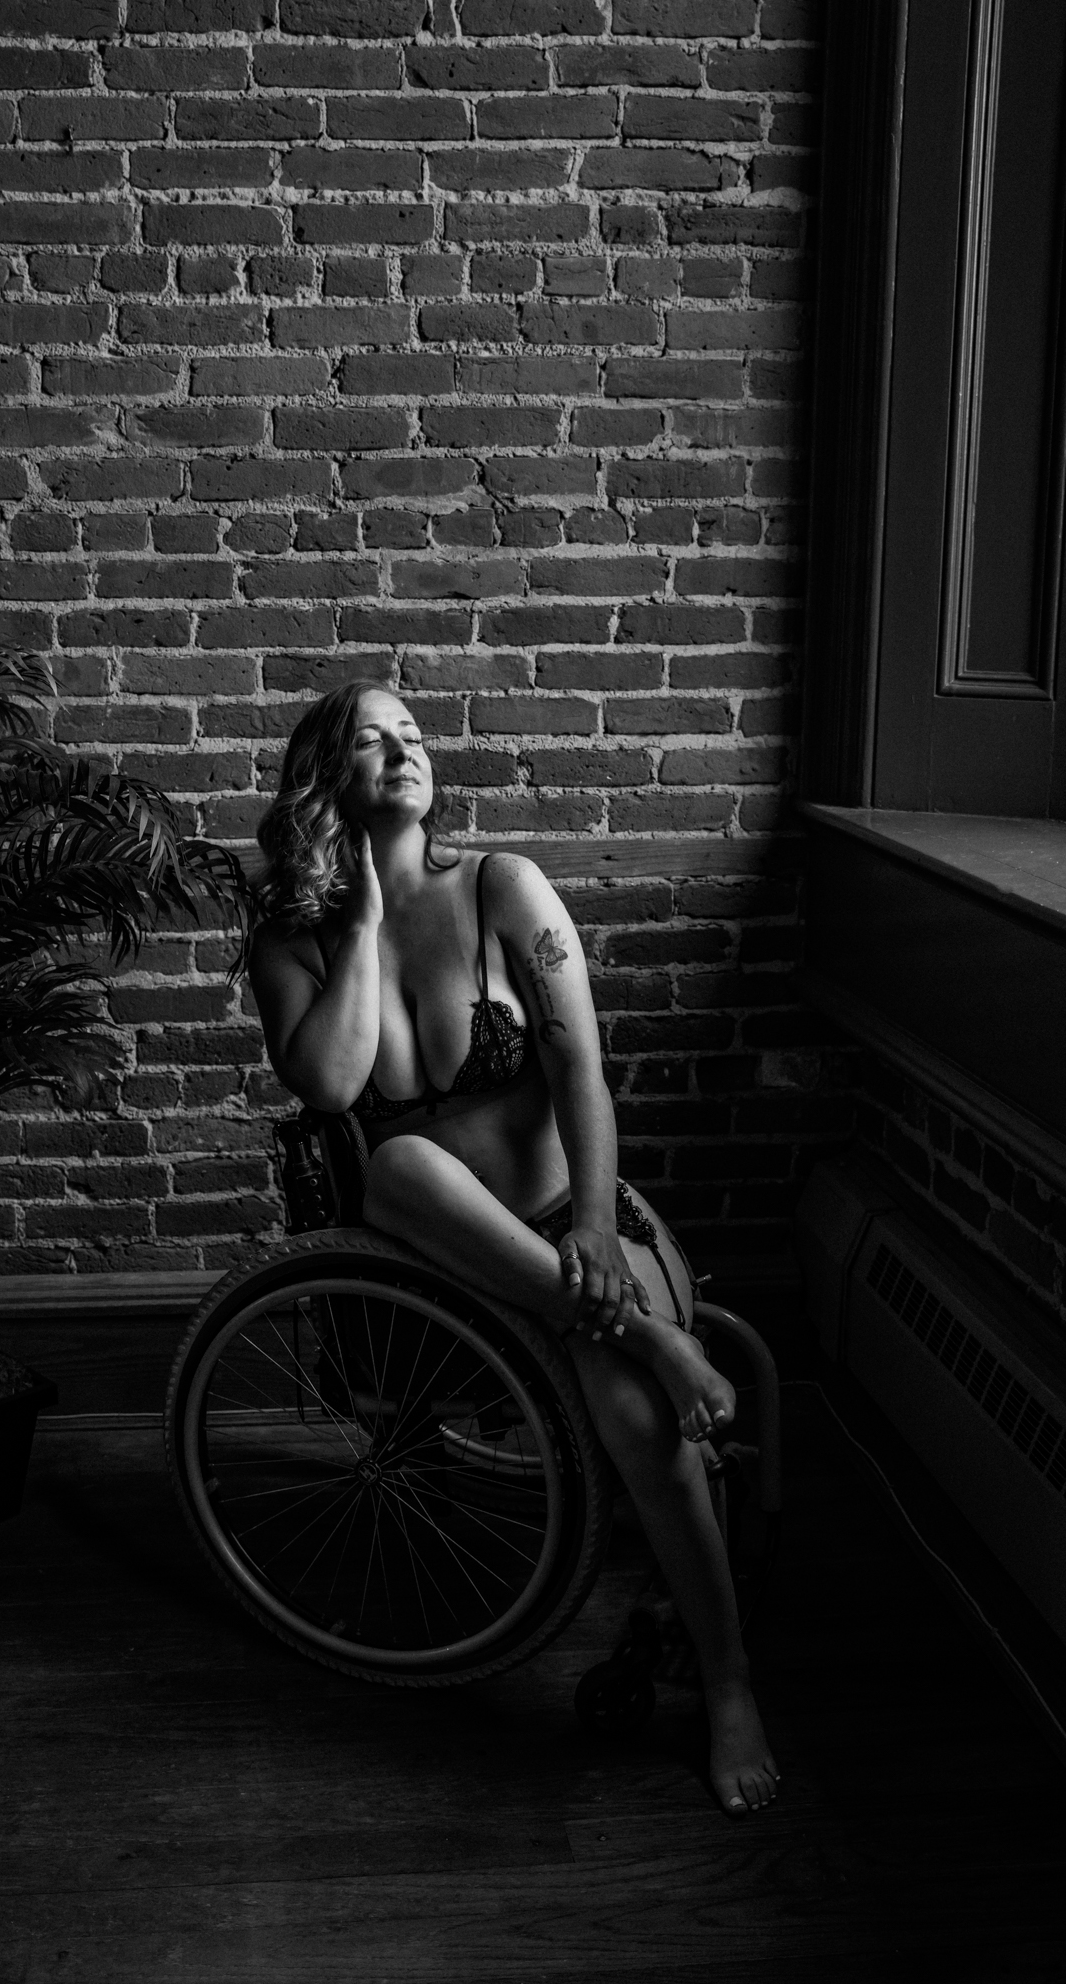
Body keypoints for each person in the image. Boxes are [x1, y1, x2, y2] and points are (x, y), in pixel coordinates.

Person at [249, 681, 779, 1815]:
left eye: (414, 735)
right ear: (321, 777)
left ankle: (728, 1680)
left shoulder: (503, 888)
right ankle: (647, 1335)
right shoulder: (292, 944)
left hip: (566, 1231)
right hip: (437, 1264)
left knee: (634, 1415)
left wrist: (591, 1224)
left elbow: (580, 1068)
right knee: (396, 1161)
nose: (403, 751)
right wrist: (363, 926)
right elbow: (335, 1082)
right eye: (371, 740)